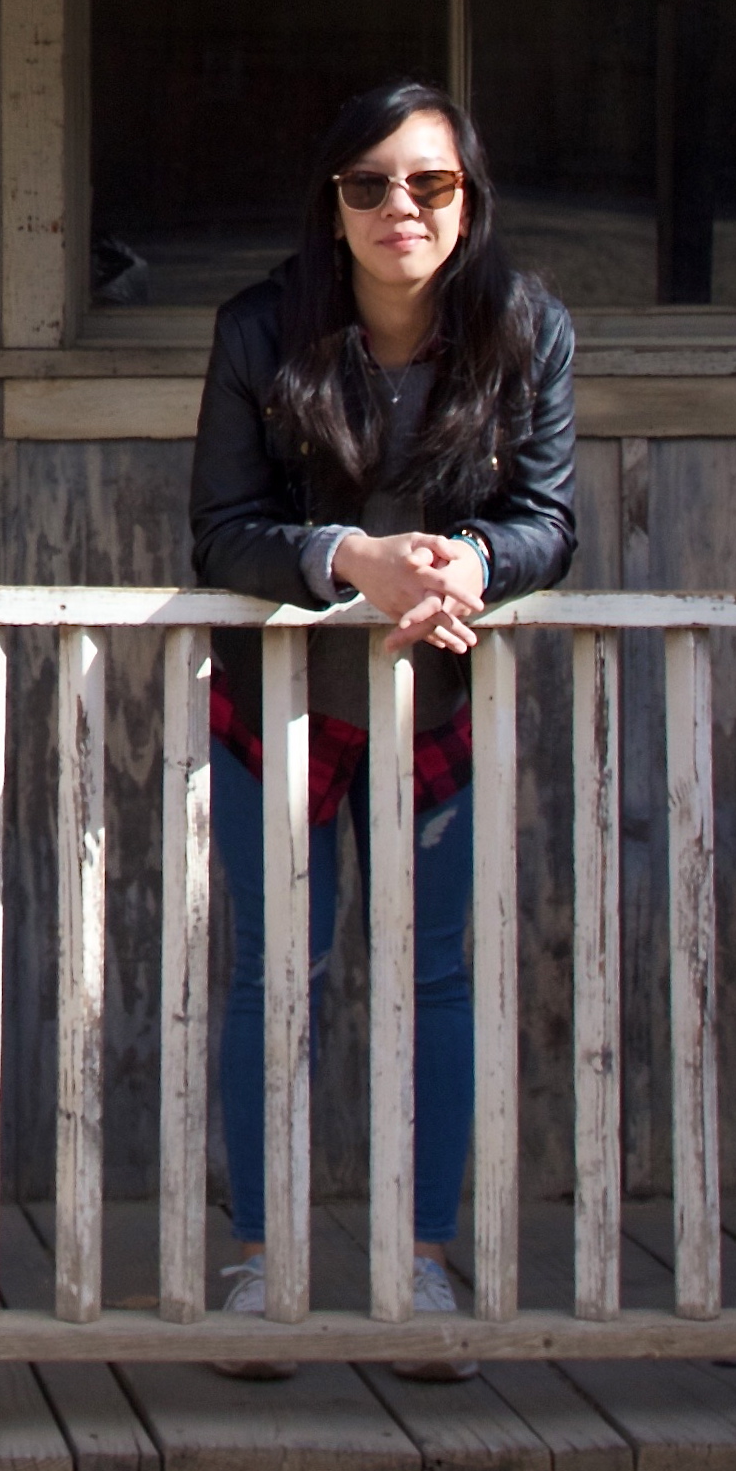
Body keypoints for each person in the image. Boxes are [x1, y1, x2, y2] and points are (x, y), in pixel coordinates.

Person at [186, 78, 578, 1374]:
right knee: (271, 974)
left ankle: (417, 1258)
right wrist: (347, 554)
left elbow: (548, 518)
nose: (398, 207)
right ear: (331, 203)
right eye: (368, 184)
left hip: (436, 705)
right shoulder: (259, 331)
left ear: (468, 200)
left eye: (429, 183)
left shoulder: (525, 328)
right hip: (280, 705)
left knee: (434, 975)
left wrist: (472, 561)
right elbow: (220, 530)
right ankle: (261, 1263)